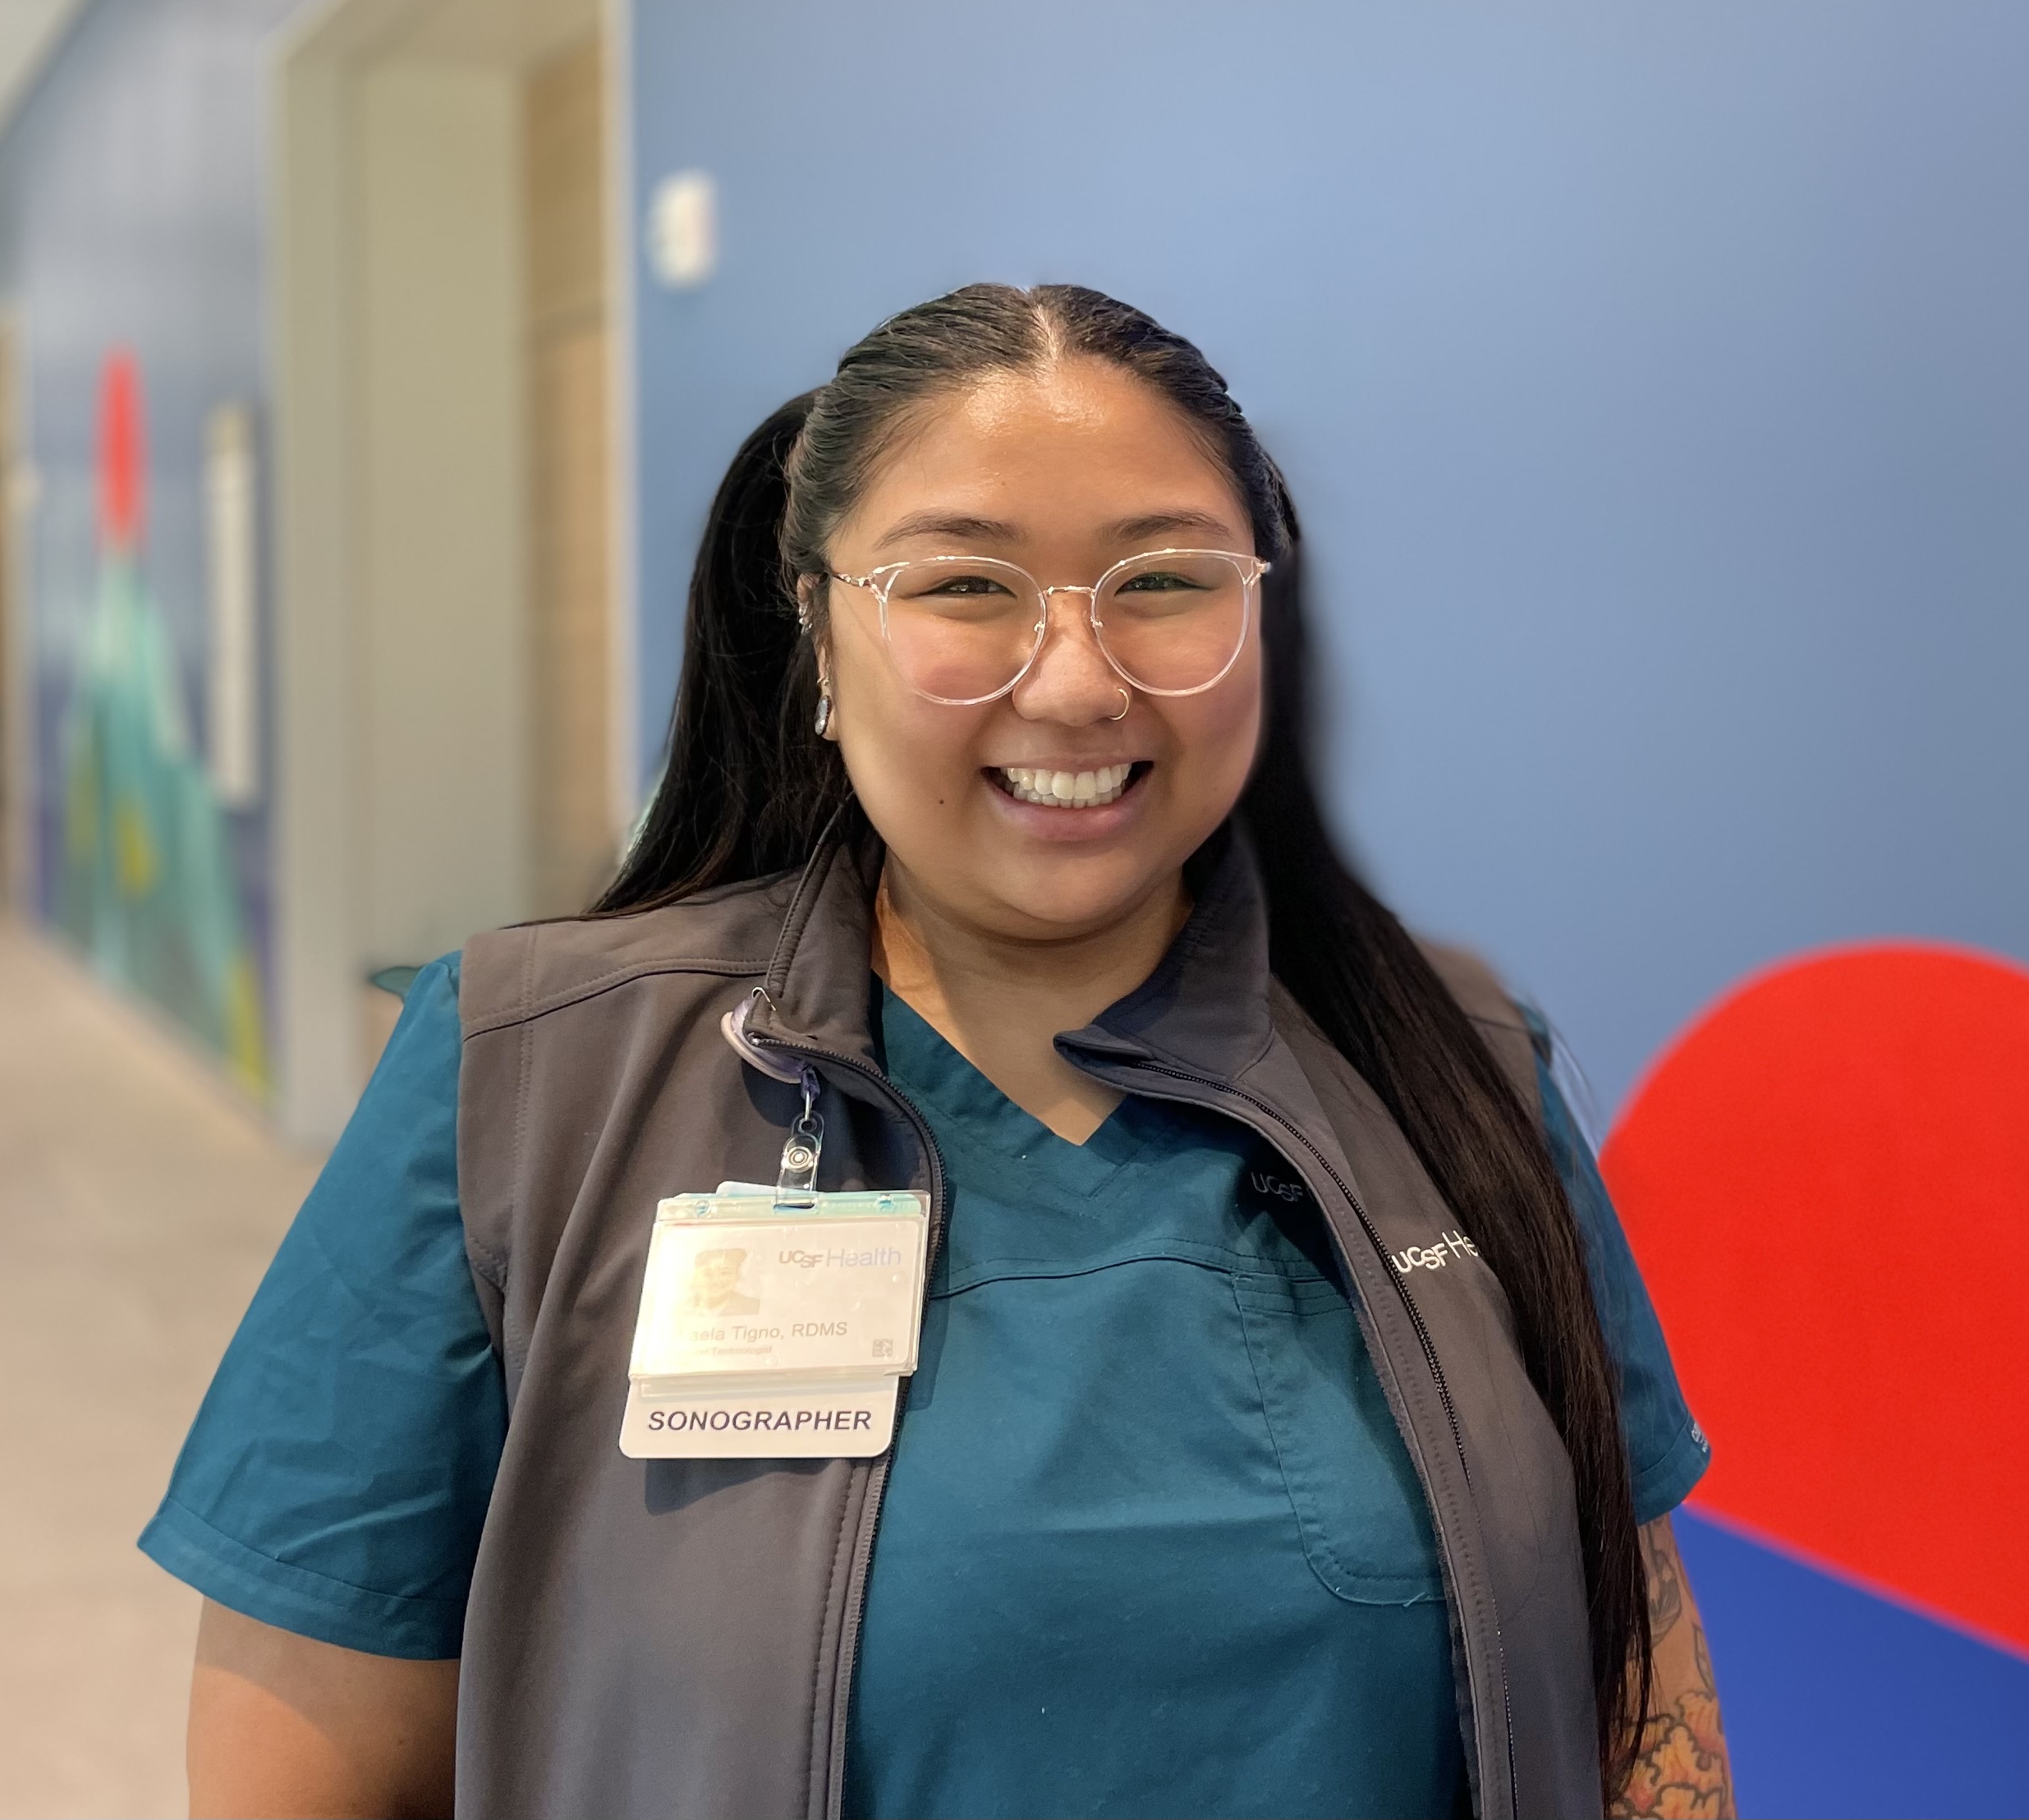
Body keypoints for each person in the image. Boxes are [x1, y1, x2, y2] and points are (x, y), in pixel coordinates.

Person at [146, 284, 1733, 1820]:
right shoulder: (528, 1075)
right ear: (818, 637)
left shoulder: (1450, 1066)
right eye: (966, 586)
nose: (1077, 680)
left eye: (1163, 579)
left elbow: (1637, 1696)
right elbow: (310, 1777)